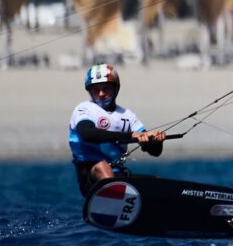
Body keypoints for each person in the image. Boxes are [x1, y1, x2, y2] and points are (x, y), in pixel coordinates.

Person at [68, 64, 166, 196]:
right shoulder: (84, 109)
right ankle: (113, 200)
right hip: (90, 174)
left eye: (105, 88)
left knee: (158, 184)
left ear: (116, 89)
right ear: (89, 91)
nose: (101, 94)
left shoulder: (127, 115)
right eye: (96, 90)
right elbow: (88, 134)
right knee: (102, 167)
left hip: (118, 173)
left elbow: (154, 152)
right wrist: (129, 136)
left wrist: (155, 141)